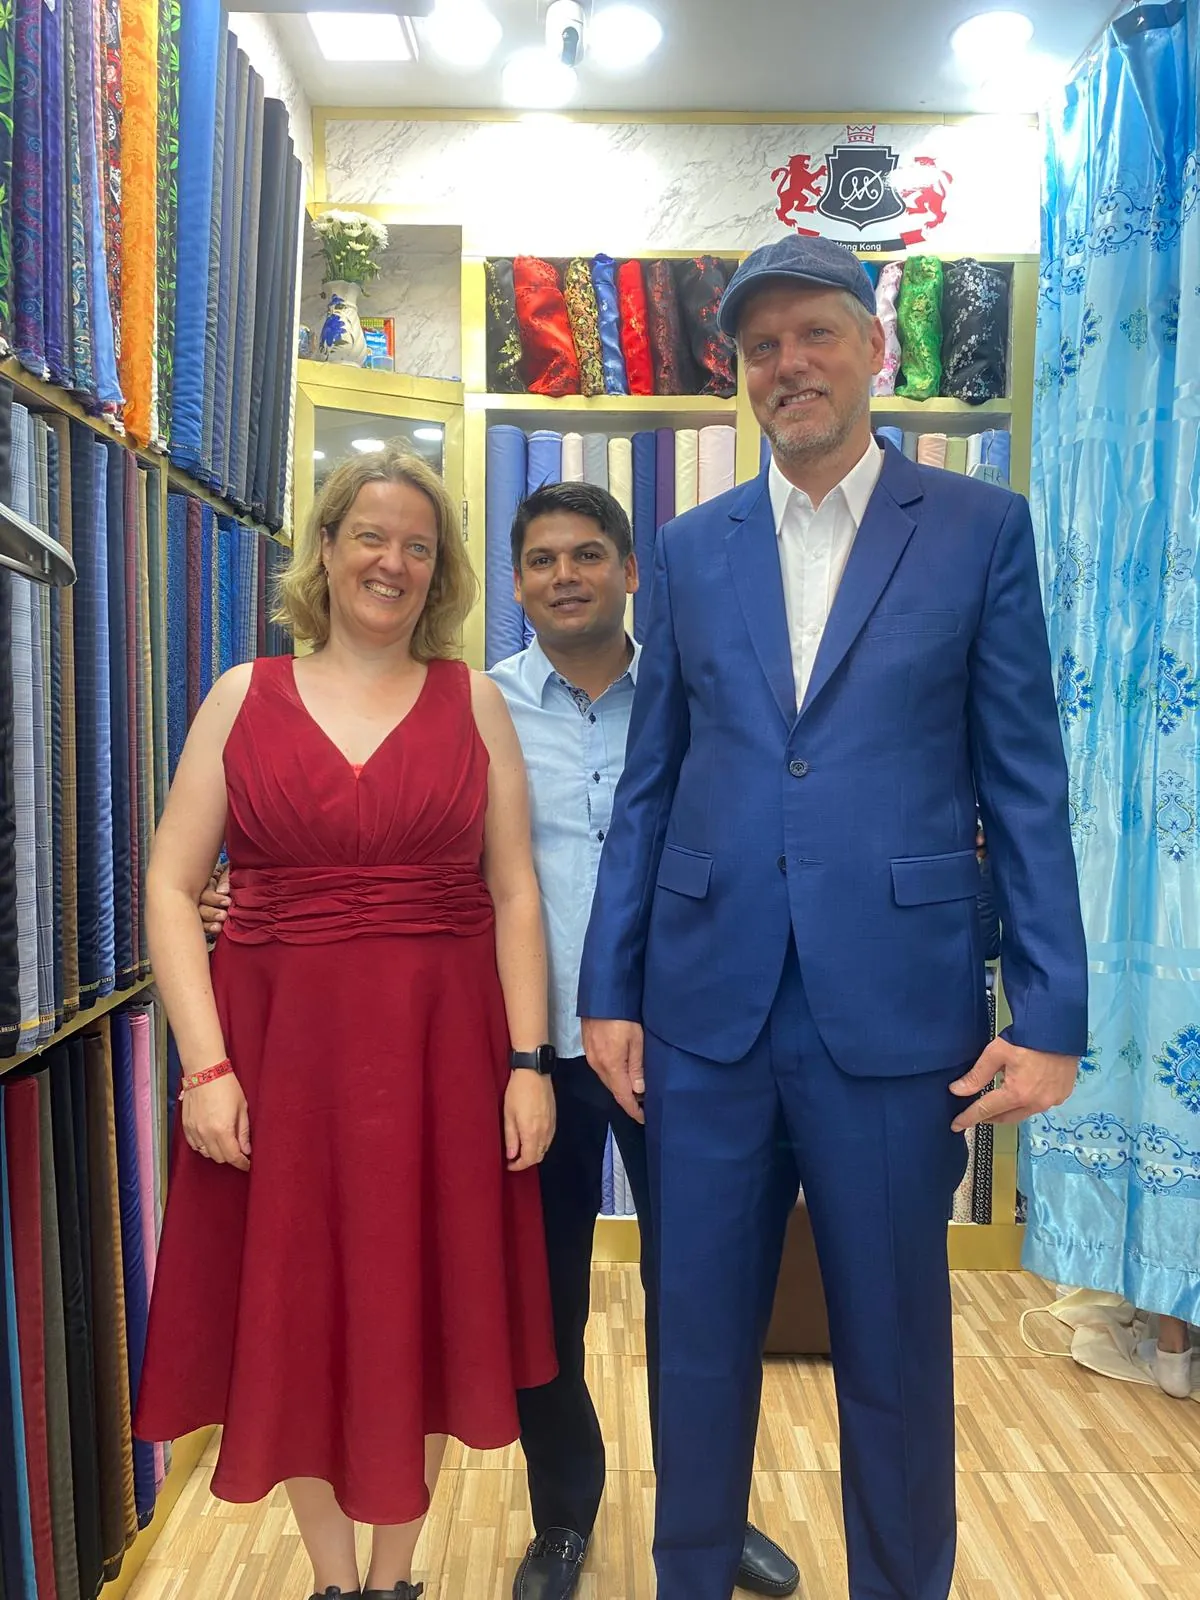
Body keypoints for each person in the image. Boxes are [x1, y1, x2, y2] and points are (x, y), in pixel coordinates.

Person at [577, 235, 1089, 1600]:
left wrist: (1050, 1011)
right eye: (762, 347)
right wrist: (609, 987)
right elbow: (652, 782)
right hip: (706, 1010)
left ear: (876, 347)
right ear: (740, 372)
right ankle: (691, 1577)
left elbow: (1024, 779)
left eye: (815, 334)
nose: (787, 365)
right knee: (695, 1339)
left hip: (899, 1010)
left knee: (896, 1350)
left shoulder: (978, 528)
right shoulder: (690, 550)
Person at [201, 480, 801, 1600]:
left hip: (679, 1043)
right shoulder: (478, 701)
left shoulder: (701, 699)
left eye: (588, 555)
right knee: (541, 1305)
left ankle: (712, 1519)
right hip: (519, 1053)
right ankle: (562, 1518)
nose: (565, 576)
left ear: (631, 571)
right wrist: (241, 897)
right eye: (541, 560)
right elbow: (379, 835)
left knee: (703, 1299)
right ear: (515, 585)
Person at [136, 446, 558, 1600]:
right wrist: (204, 1068)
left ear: (441, 570)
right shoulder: (243, 695)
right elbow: (172, 883)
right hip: (282, 1059)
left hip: (440, 1059)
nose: (393, 562)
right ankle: (335, 1582)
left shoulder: (473, 700)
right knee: (302, 1311)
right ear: (325, 549)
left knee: (423, 1303)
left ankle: (396, 1579)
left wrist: (528, 1063)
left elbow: (515, 889)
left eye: (419, 546)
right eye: (371, 535)